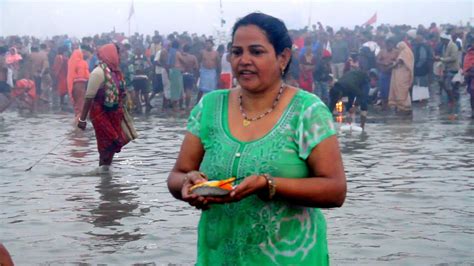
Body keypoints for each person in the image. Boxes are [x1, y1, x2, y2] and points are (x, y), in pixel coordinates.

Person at [168, 12, 346, 265]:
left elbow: (335, 190)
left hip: (291, 258)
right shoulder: (209, 106)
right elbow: (177, 174)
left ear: (283, 57)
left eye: (256, 52)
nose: (244, 61)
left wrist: (268, 184)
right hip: (218, 256)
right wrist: (188, 182)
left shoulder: (308, 111)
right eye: (237, 52)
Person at [77, 43, 135, 169]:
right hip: (100, 115)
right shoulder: (98, 73)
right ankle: (103, 176)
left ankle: (106, 175)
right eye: (117, 54)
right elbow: (89, 98)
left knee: (112, 147)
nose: (119, 57)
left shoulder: (116, 73)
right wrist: (82, 119)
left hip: (114, 114)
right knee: (107, 146)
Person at [388, 42, 414, 114]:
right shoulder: (408, 51)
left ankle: (403, 106)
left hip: (403, 74)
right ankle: (405, 106)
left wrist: (391, 66)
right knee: (404, 90)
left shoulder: (404, 52)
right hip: (404, 74)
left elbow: (399, 61)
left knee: (401, 89)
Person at [376, 38, 399, 109]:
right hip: (384, 73)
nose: (389, 46)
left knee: (394, 89)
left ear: (393, 45)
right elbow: (377, 60)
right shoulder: (382, 51)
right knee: (383, 89)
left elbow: (399, 61)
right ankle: (384, 106)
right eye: (387, 45)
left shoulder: (397, 52)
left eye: (390, 44)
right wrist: (383, 63)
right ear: (385, 45)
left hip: (393, 73)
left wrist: (392, 63)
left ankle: (395, 106)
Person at [67, 48, 90, 119]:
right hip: (81, 85)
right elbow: (86, 75)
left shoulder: (71, 63)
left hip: (74, 85)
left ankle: (76, 122)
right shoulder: (83, 63)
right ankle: (79, 125)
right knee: (81, 106)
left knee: (77, 106)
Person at [196, 39, 220, 103]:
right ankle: (197, 103)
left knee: (212, 89)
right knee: (201, 89)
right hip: (204, 72)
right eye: (206, 44)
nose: (208, 45)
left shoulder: (216, 53)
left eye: (209, 44)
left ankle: (212, 103)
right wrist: (198, 71)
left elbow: (218, 64)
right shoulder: (202, 52)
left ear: (212, 44)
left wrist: (219, 75)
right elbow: (198, 61)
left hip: (212, 72)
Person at [52, 45, 69, 110]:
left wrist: (55, 74)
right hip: (63, 75)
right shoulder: (63, 58)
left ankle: (62, 102)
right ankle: (62, 102)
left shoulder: (58, 57)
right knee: (63, 88)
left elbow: (56, 66)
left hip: (61, 75)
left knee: (62, 88)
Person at [463, 38, 474, 118]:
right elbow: (466, 65)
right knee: (472, 96)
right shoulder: (468, 53)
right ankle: (473, 112)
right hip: (470, 78)